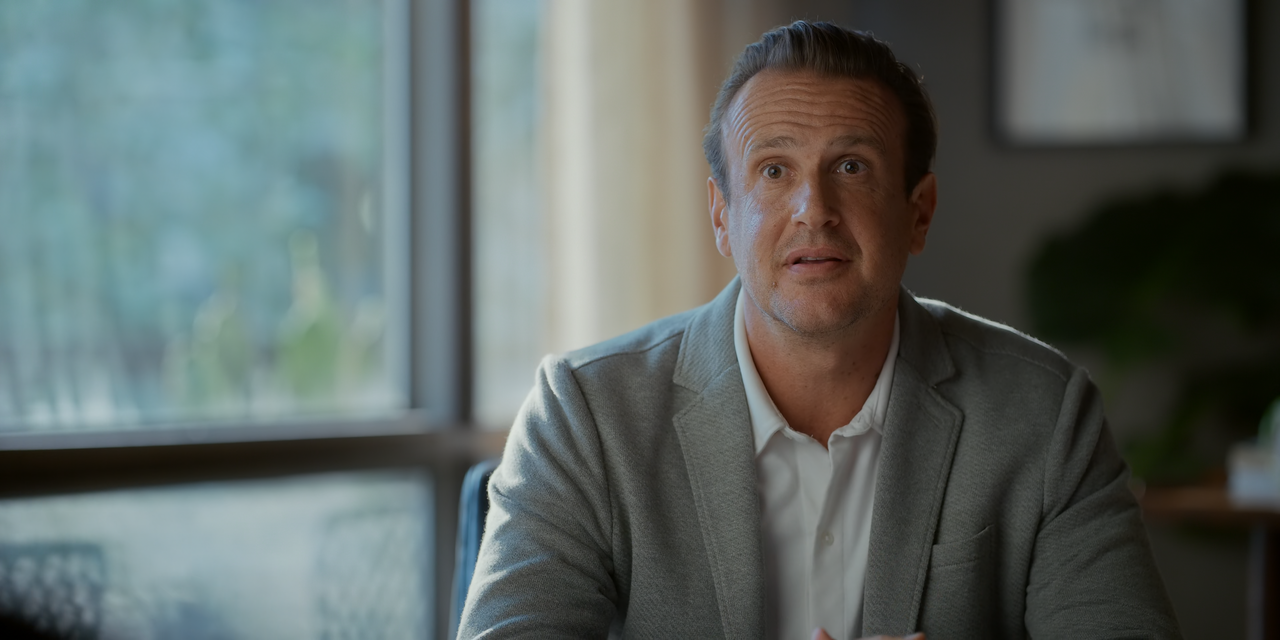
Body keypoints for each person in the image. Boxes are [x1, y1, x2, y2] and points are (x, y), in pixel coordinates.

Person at [458, 21, 1180, 640]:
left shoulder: (1044, 415)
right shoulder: (584, 416)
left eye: (852, 166)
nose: (813, 208)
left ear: (919, 212)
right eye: (774, 170)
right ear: (722, 216)